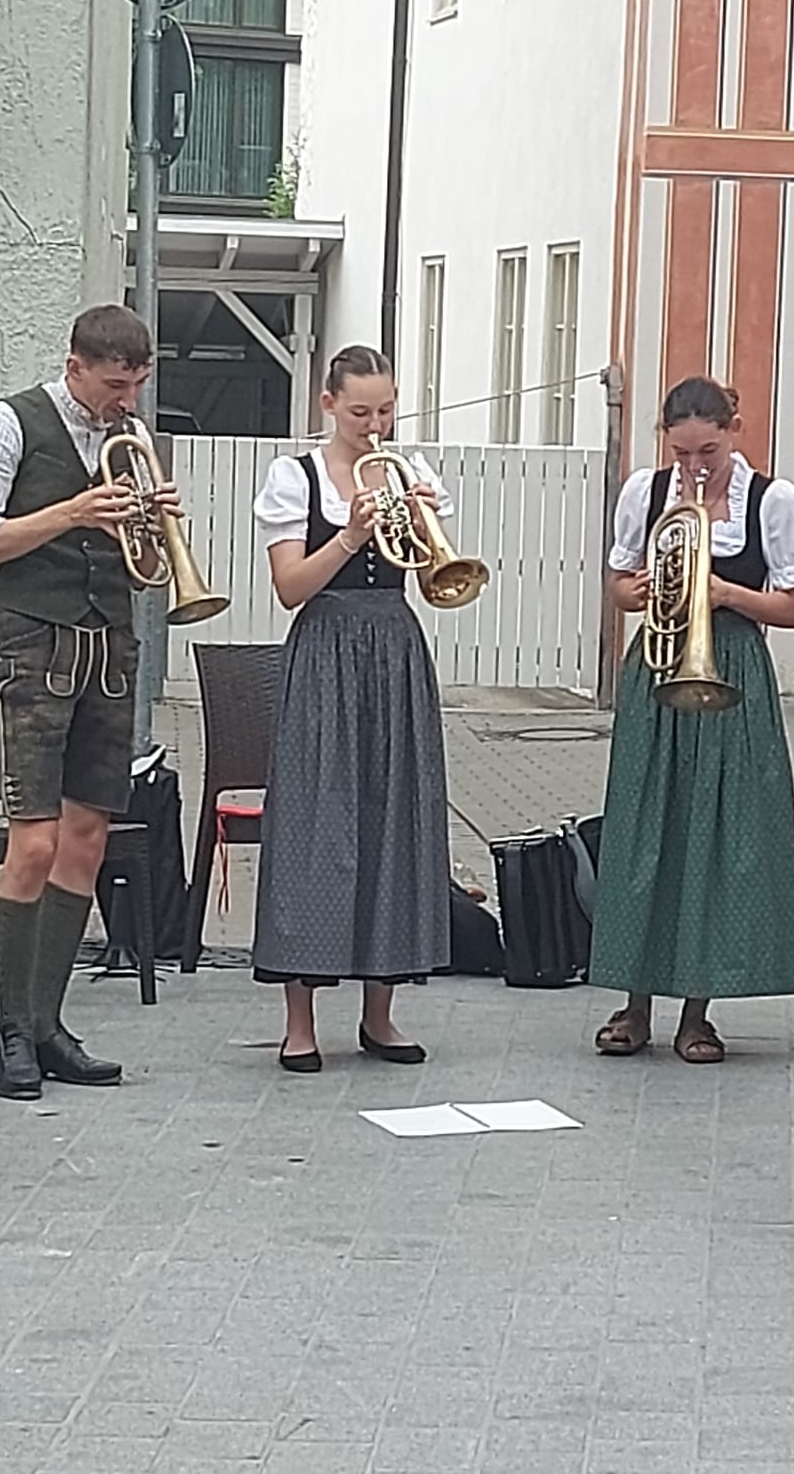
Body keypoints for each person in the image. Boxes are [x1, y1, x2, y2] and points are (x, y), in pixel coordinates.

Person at [0, 304, 183, 1100]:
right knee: (34, 844)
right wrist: (70, 514)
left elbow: (143, 563)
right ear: (75, 365)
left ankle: (48, 1024)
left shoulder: (130, 440)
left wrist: (151, 527)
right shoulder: (10, 423)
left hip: (111, 649)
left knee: (86, 838)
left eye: (136, 386)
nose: (126, 402)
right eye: (114, 386)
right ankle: (12, 1028)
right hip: (33, 648)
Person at [588, 377, 794, 1062]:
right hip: (659, 664)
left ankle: (698, 1011)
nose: (694, 467)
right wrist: (650, 586)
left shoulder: (775, 501)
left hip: (732, 667)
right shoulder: (647, 493)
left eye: (708, 451)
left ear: (734, 429)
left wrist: (725, 592)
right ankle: (632, 1003)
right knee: (644, 828)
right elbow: (620, 585)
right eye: (682, 452)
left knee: (717, 834)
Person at [249, 345, 450, 1070]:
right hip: (326, 649)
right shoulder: (293, 478)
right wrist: (351, 534)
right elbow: (291, 587)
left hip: (395, 650)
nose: (376, 424)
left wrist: (423, 530)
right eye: (361, 410)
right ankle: (299, 1022)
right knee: (314, 823)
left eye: (387, 409)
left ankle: (380, 1014)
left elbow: (435, 584)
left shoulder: (410, 471)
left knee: (392, 816)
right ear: (328, 403)